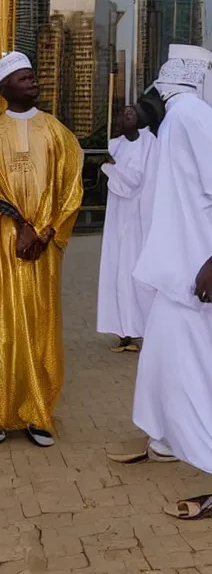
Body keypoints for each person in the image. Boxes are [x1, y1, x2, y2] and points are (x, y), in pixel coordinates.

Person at [107, 45, 212, 520]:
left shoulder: (190, 115)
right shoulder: (175, 120)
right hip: (178, 271)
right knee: (160, 362)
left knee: (188, 368)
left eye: (164, 74)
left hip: (196, 272)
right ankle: (164, 439)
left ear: (183, 77)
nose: (153, 85)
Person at [0, 52, 83, 446]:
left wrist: (46, 232)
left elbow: (72, 188)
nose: (33, 83)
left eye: (33, 77)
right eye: (24, 78)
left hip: (43, 247)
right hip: (6, 243)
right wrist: (20, 225)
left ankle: (38, 414)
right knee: (1, 324)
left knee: (39, 325)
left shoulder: (56, 131)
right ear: (3, 88)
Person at [97, 104, 157, 352]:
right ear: (119, 121)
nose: (128, 113)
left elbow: (138, 179)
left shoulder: (150, 142)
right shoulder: (115, 145)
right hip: (119, 217)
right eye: (124, 112)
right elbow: (108, 185)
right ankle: (124, 332)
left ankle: (146, 329)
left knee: (139, 272)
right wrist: (108, 167)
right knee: (118, 271)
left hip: (142, 216)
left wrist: (113, 168)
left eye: (132, 111)